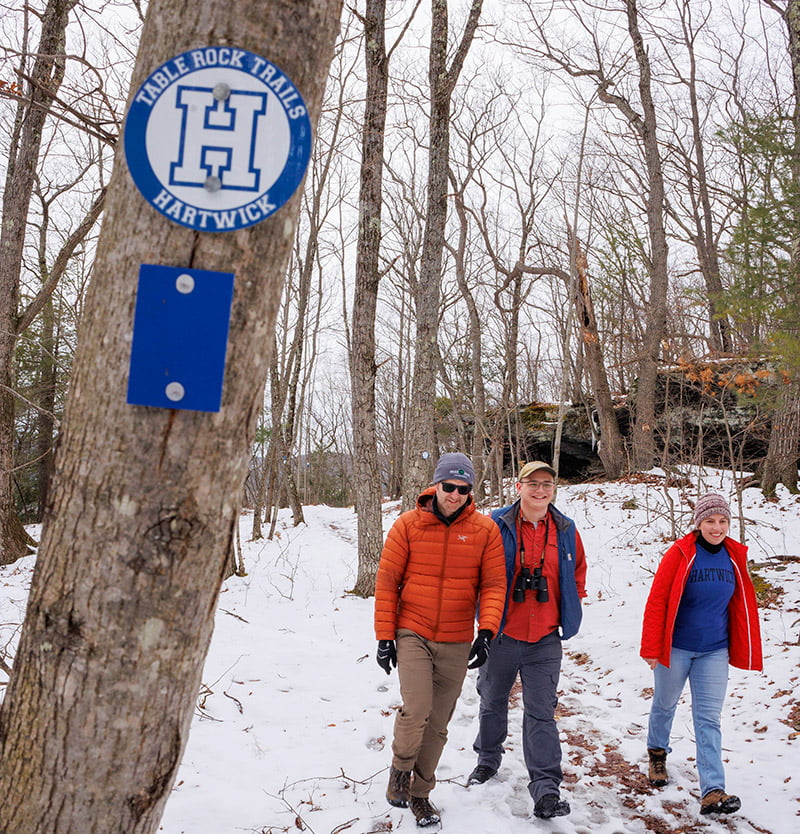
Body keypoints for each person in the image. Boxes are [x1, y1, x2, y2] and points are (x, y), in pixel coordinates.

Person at [374, 452, 506, 828]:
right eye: (449, 486)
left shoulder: (484, 530)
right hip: (412, 629)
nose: (455, 494)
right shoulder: (407, 525)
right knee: (417, 709)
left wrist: (487, 630)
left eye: (464, 489)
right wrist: (385, 637)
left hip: (457, 636)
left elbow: (494, 584)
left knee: (438, 724)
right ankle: (399, 773)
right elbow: (386, 583)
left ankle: (421, 795)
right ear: (436, 484)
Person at [467, 461, 587, 820]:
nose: (540, 490)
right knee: (492, 700)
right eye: (532, 483)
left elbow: (577, 570)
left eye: (546, 484)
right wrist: (482, 621)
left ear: (553, 489)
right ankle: (488, 759)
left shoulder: (565, 529)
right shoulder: (495, 524)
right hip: (502, 632)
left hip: (545, 637)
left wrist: (570, 600)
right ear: (518, 487)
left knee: (541, 713)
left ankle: (546, 790)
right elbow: (477, 571)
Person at [640, 492, 763, 816]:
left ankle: (713, 790)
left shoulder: (733, 557)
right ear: (698, 523)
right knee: (665, 705)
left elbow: (740, 604)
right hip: (676, 648)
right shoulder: (681, 553)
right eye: (710, 521)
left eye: (722, 521)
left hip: (714, 651)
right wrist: (652, 647)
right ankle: (657, 755)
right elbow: (657, 602)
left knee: (708, 719)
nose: (717, 527)